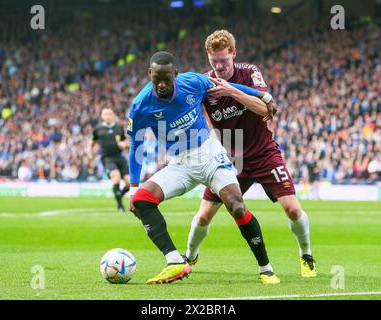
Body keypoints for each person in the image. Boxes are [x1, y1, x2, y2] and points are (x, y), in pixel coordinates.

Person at [127, 51, 280, 284]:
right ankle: (175, 262)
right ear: (149, 73)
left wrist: (264, 95)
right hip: (179, 165)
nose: (161, 83)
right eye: (156, 77)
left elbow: (225, 85)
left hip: (209, 156)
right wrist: (133, 187)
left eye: (166, 78)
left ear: (175, 75)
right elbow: (135, 145)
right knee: (141, 200)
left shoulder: (193, 82)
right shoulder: (140, 106)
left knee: (236, 206)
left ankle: (266, 268)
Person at [184, 30, 317, 277]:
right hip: (230, 159)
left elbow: (265, 109)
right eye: (214, 62)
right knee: (203, 216)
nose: (220, 66)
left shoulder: (250, 73)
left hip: (263, 152)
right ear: (208, 58)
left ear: (233, 53)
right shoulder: (203, 84)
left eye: (224, 60)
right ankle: (189, 257)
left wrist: (231, 91)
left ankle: (306, 254)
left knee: (293, 210)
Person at [89, 108, 130, 212]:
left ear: (113, 116)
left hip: (119, 157)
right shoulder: (98, 129)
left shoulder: (119, 127)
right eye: (105, 114)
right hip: (107, 158)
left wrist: (125, 144)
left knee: (130, 183)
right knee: (116, 177)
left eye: (110, 114)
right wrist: (90, 155)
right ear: (102, 116)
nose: (108, 116)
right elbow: (91, 143)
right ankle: (120, 206)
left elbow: (126, 140)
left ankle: (119, 194)